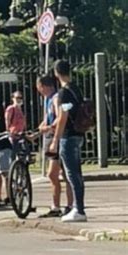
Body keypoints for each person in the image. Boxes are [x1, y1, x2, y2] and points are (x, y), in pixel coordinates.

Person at [49, 59, 87, 222]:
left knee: (72, 174)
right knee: (76, 174)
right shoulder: (76, 89)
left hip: (68, 136)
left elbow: (62, 118)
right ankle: (79, 208)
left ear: (56, 73)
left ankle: (78, 210)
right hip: (79, 134)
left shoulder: (63, 93)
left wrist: (55, 140)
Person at [36, 75, 74, 218]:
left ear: (43, 86)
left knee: (59, 173)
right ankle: (56, 205)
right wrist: (41, 127)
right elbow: (48, 116)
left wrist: (50, 128)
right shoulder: (48, 99)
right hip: (50, 136)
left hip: (57, 136)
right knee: (55, 174)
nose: (39, 90)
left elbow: (60, 117)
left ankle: (69, 205)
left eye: (39, 87)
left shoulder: (56, 97)